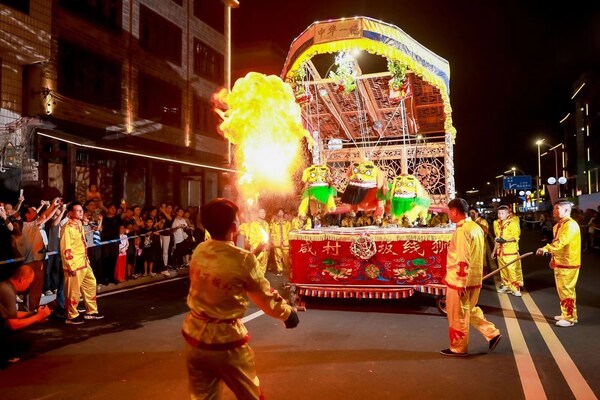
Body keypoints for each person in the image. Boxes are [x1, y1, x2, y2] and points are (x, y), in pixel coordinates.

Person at [182, 198, 299, 399]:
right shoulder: (243, 260)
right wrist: (288, 314)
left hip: (194, 338)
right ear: (234, 227)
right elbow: (264, 296)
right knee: (250, 395)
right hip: (226, 342)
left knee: (202, 397)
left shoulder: (200, 251)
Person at [440, 198, 501, 356]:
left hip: (460, 281)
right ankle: (492, 333)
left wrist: (460, 282)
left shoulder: (462, 231)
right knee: (469, 310)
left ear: (454, 211)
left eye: (449, 212)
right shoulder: (475, 227)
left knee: (457, 315)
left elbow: (462, 258)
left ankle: (458, 347)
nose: (448, 215)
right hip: (474, 278)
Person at [536, 200, 581, 327]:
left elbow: (561, 242)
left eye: (557, 208)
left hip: (568, 263)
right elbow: (558, 244)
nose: (554, 211)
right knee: (562, 290)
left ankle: (570, 318)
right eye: (554, 209)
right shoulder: (559, 225)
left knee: (566, 290)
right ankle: (567, 313)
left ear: (566, 210)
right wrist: (552, 257)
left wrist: (546, 249)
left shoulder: (570, 225)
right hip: (561, 262)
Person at [60, 202, 104, 325]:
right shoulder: (67, 228)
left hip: (84, 262)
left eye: (81, 210)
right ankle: (71, 315)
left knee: (91, 284)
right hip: (74, 264)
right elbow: (66, 248)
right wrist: (70, 266)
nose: (81, 212)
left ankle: (91, 311)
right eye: (77, 210)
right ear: (70, 213)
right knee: (73, 291)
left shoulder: (79, 223)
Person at [0, 264, 53, 366]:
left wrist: (33, 314)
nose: (28, 286)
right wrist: (37, 317)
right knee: (21, 338)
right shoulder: (7, 291)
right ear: (22, 280)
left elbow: (11, 314)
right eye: (29, 283)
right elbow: (13, 324)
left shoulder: (5, 286)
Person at [492, 205, 522, 297]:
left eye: (502, 213)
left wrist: (505, 241)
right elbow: (497, 238)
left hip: (510, 251)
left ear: (508, 214)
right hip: (500, 251)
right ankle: (506, 285)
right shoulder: (496, 223)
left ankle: (516, 289)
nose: (500, 215)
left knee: (511, 270)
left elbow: (516, 237)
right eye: (499, 213)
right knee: (503, 270)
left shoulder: (512, 223)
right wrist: (494, 251)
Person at [247, 208, 270, 276]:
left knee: (264, 263)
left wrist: (267, 245)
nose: (263, 214)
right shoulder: (254, 224)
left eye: (264, 213)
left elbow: (268, 235)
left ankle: (261, 278)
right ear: (257, 214)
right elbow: (251, 236)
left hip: (264, 247)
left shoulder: (266, 224)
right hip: (257, 247)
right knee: (255, 263)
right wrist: (252, 246)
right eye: (261, 212)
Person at [270, 208, 291, 276]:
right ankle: (280, 270)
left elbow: (289, 233)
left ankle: (288, 270)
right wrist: (273, 241)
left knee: (287, 257)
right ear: (277, 213)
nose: (280, 213)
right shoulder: (274, 223)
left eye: (282, 212)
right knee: (278, 256)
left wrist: (289, 241)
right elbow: (272, 233)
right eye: (279, 212)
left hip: (286, 243)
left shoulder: (287, 223)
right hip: (277, 243)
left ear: (283, 213)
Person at [469, 207, 490, 274]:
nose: (471, 214)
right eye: (470, 213)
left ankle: (482, 276)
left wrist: (476, 224)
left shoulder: (483, 221)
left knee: (481, 260)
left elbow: (485, 232)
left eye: (473, 213)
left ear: (477, 213)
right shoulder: (468, 222)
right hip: (470, 245)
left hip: (480, 244)